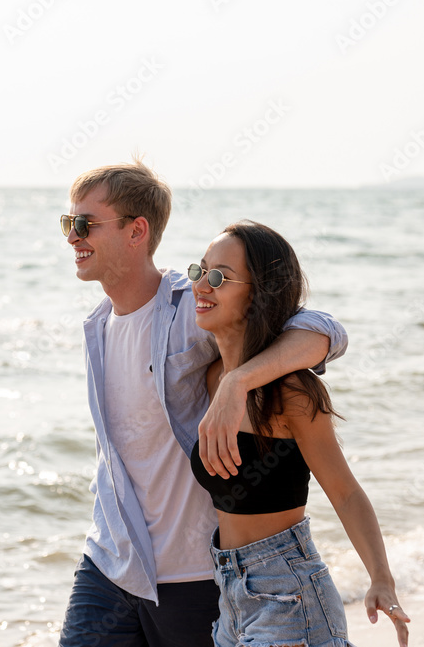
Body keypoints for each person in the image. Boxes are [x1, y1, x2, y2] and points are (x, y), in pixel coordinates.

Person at [57, 160, 348, 647]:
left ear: (137, 230)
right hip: (111, 563)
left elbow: (325, 331)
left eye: (84, 224)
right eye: (69, 223)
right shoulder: (96, 326)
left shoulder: (192, 306)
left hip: (193, 575)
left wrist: (238, 384)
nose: (72, 236)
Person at [188, 220, 410, 647]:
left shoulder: (290, 391)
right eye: (199, 271)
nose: (202, 286)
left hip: (288, 593)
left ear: (258, 295)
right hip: (229, 597)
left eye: (219, 277)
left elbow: (344, 492)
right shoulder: (212, 377)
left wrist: (382, 578)